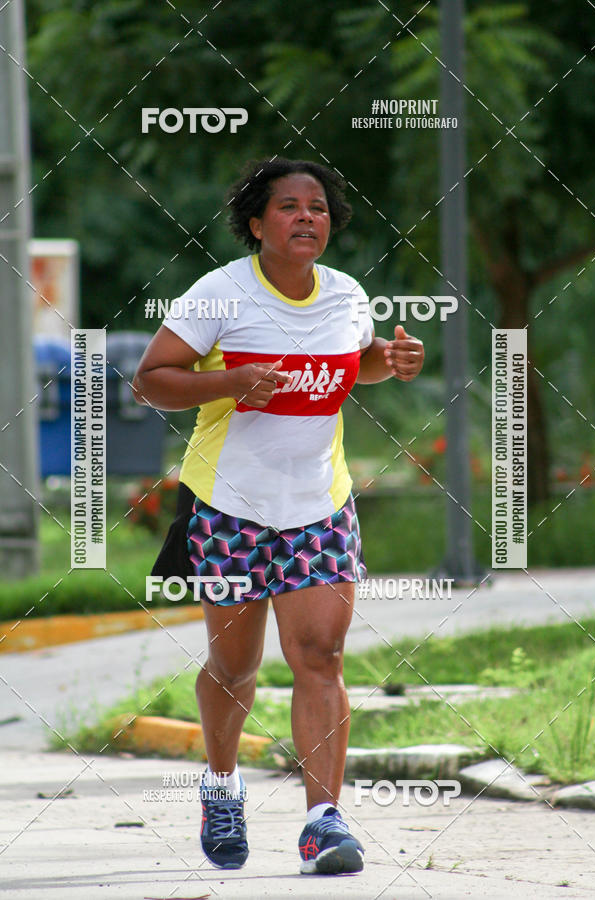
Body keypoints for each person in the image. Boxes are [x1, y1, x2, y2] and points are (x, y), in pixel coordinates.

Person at [132, 157, 424, 876]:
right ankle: (222, 784)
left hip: (318, 505)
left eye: (318, 207)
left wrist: (390, 357)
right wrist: (230, 379)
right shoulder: (219, 294)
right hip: (228, 503)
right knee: (236, 668)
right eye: (288, 206)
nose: (306, 217)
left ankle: (324, 822)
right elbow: (150, 381)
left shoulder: (348, 296)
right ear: (257, 224)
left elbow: (359, 364)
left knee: (320, 658)